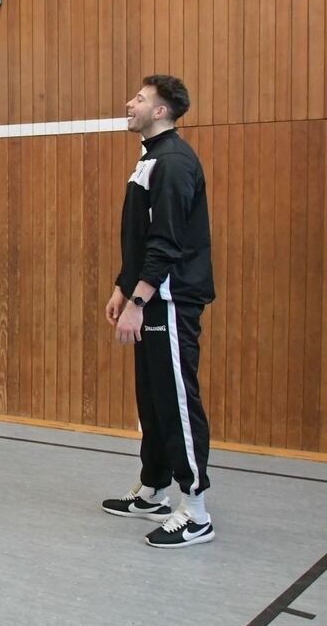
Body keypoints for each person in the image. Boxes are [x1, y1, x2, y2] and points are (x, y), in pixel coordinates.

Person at [102, 75, 216, 548]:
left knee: (177, 403)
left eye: (141, 99)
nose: (131, 103)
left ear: (162, 112)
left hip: (168, 302)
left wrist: (141, 299)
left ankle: (196, 510)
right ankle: (153, 488)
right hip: (148, 295)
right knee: (151, 398)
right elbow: (142, 237)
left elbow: (168, 242)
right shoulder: (150, 159)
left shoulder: (172, 163)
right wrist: (121, 286)